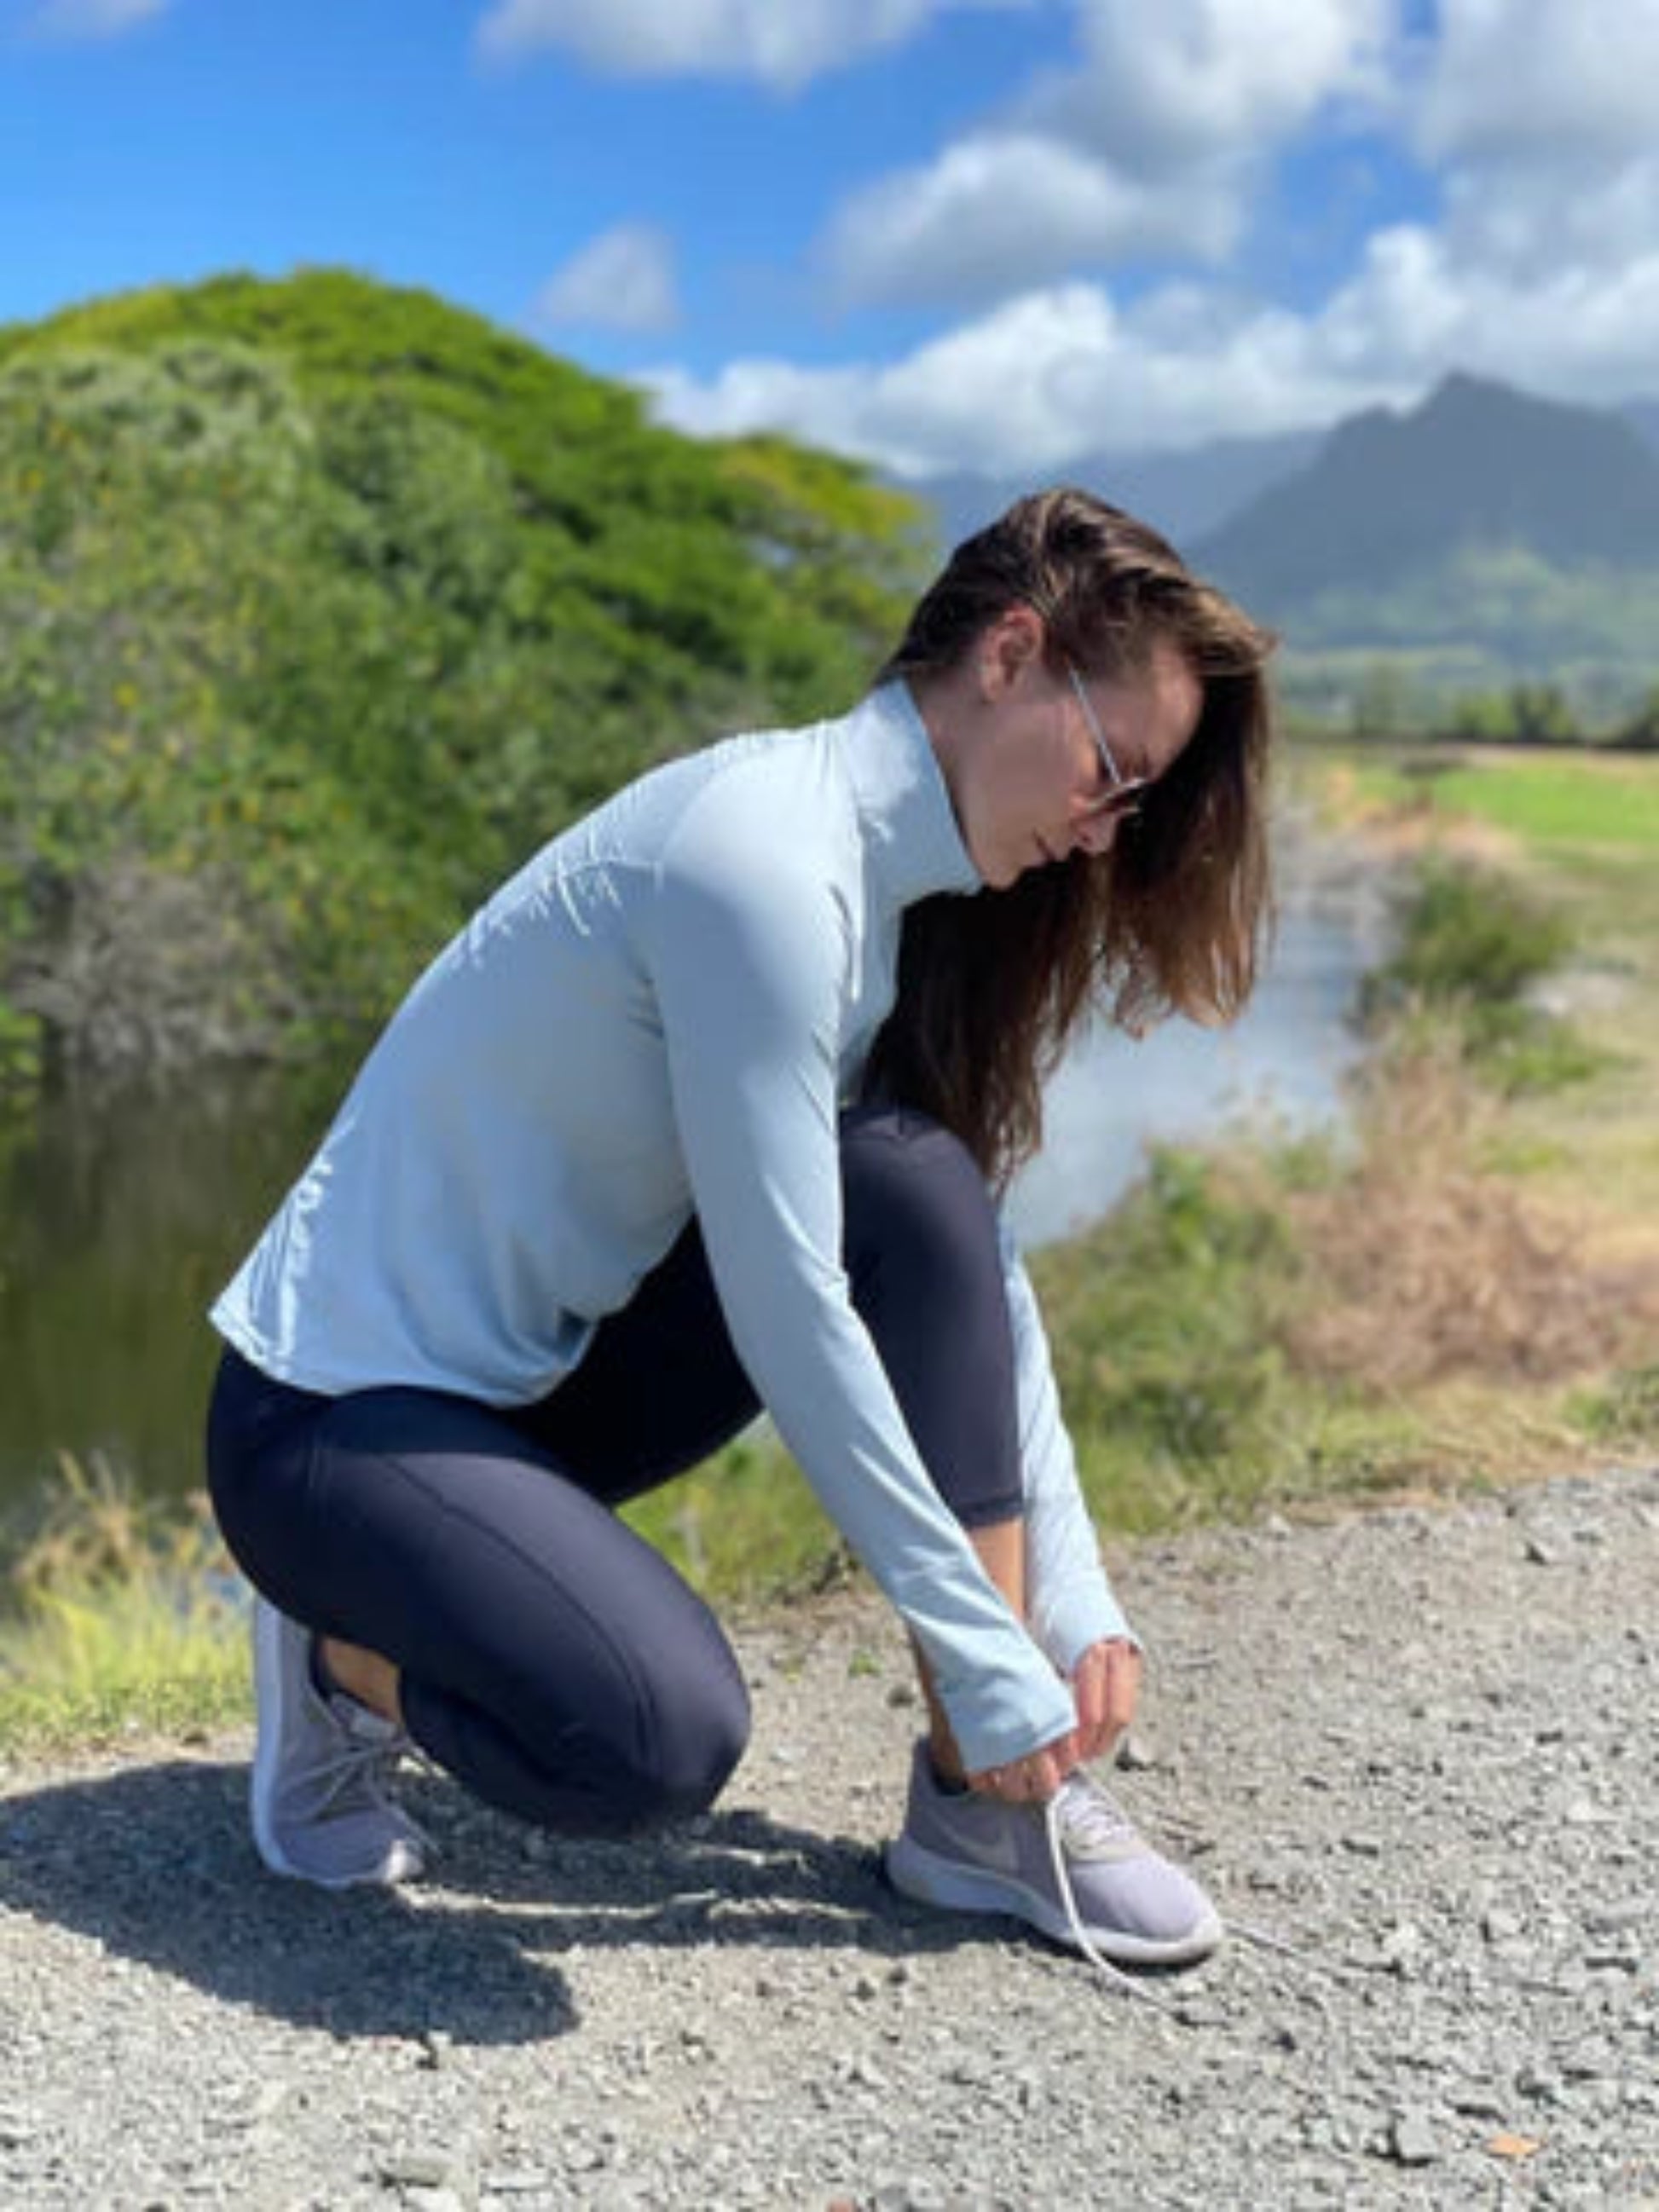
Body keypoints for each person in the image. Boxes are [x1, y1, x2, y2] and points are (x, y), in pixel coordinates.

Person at [205, 488, 1275, 1971]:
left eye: (1131, 807)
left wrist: (1067, 1600)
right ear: (1008, 655)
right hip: (327, 1423)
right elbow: (786, 1309)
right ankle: (340, 1660)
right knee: (649, 1740)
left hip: (531, 1395)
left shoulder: (885, 896)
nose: (1101, 837)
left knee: (909, 1180)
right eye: (1110, 774)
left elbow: (961, 1260)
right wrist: (987, 1655)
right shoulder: (760, 859)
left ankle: (984, 1808)